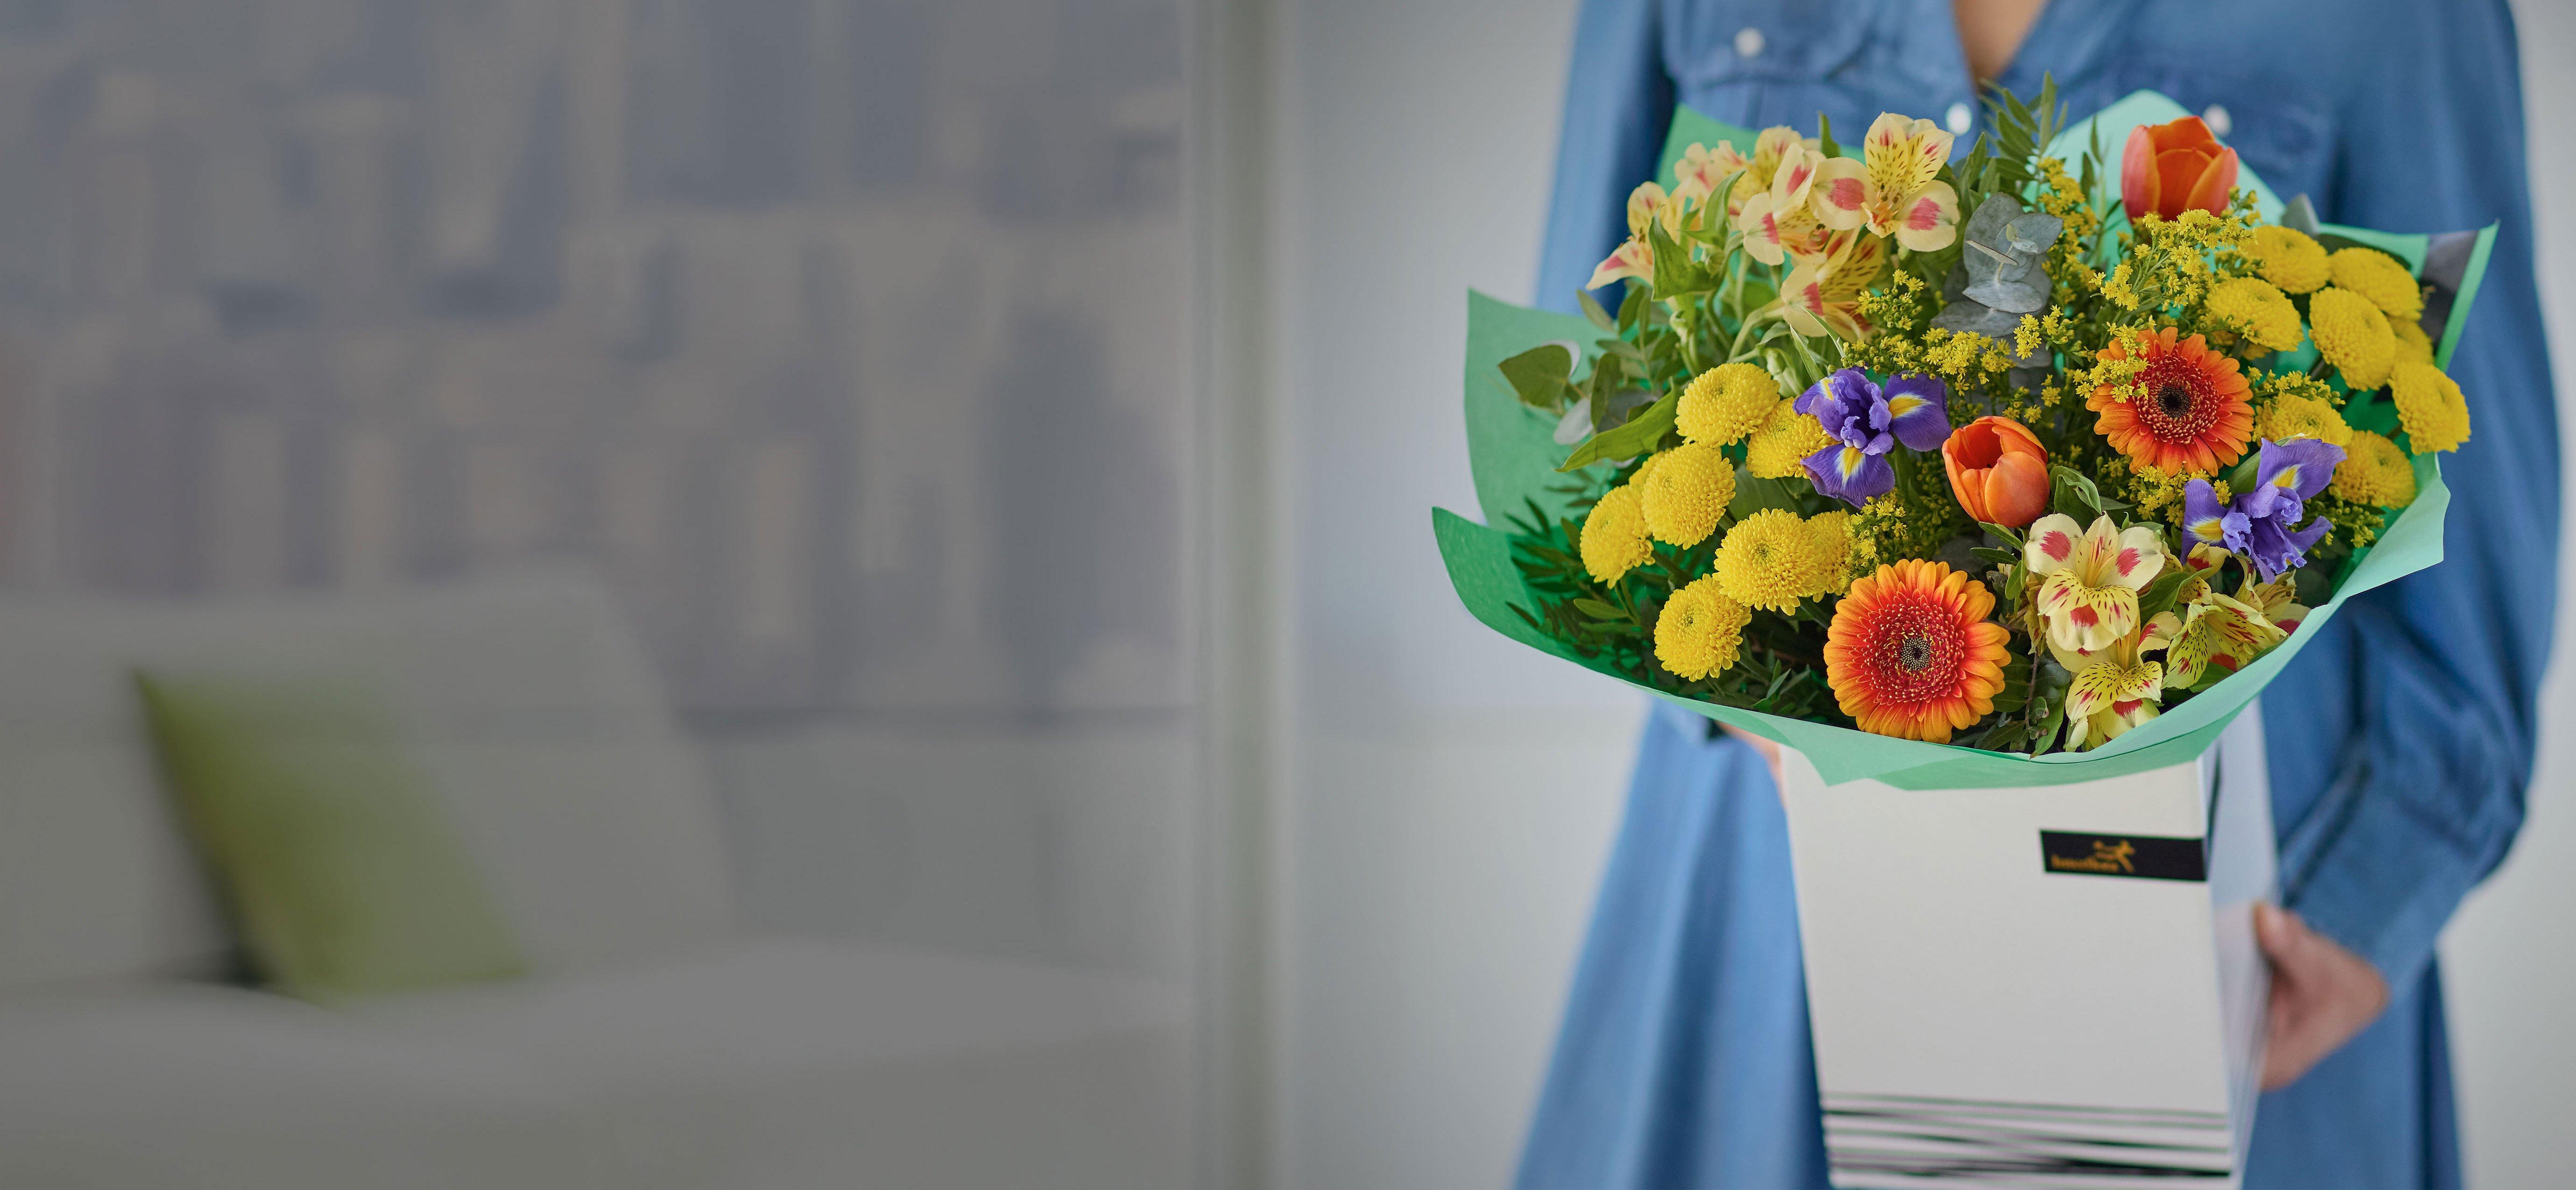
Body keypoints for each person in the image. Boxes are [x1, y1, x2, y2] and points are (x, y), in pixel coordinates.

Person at [1518, 0, 2557, 1186]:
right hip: (1771, 889)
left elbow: (2477, 509)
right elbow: (1581, 406)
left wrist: (2364, 905)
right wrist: (1733, 687)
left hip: (2244, 938)